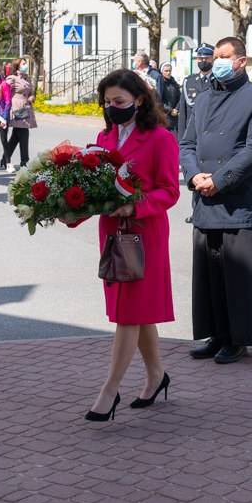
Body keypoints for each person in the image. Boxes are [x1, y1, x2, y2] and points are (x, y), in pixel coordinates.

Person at [67, 69, 180, 422]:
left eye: (119, 101)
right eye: (107, 102)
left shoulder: (160, 138)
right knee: (137, 311)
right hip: (113, 232)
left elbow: (169, 191)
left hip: (144, 234)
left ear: (140, 100)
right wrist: (72, 212)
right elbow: (97, 190)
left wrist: (136, 205)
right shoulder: (104, 136)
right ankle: (157, 375)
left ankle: (109, 389)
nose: (112, 107)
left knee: (128, 313)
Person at [180, 37, 252, 365]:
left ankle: (239, 338)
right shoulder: (204, 99)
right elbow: (188, 144)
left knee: (239, 277)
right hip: (205, 198)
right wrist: (195, 176)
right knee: (210, 274)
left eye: (224, 57)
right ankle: (216, 334)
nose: (217, 62)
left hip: (238, 200)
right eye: (215, 57)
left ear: (241, 61)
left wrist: (219, 180)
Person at [176, 44, 215, 225]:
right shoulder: (189, 81)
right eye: (199, 58)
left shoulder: (218, 80)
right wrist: (182, 139)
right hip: (194, 138)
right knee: (194, 173)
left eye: (206, 58)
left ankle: (210, 211)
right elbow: (183, 113)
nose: (202, 61)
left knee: (210, 176)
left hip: (212, 136)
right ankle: (196, 211)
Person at [3, 57, 37, 170]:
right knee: (23, 132)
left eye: (26, 63)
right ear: (17, 66)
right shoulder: (12, 78)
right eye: (23, 63)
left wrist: (32, 97)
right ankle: (25, 160)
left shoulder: (27, 78)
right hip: (17, 107)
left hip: (26, 106)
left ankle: (5, 158)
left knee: (16, 136)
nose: (25, 65)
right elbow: (4, 89)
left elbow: (31, 92)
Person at [159, 62, 181, 133]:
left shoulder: (174, 83)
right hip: (163, 115)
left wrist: (176, 109)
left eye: (169, 71)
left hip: (174, 116)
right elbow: (159, 100)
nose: (168, 73)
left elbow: (180, 98)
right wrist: (170, 110)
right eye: (166, 71)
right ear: (161, 71)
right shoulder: (160, 83)